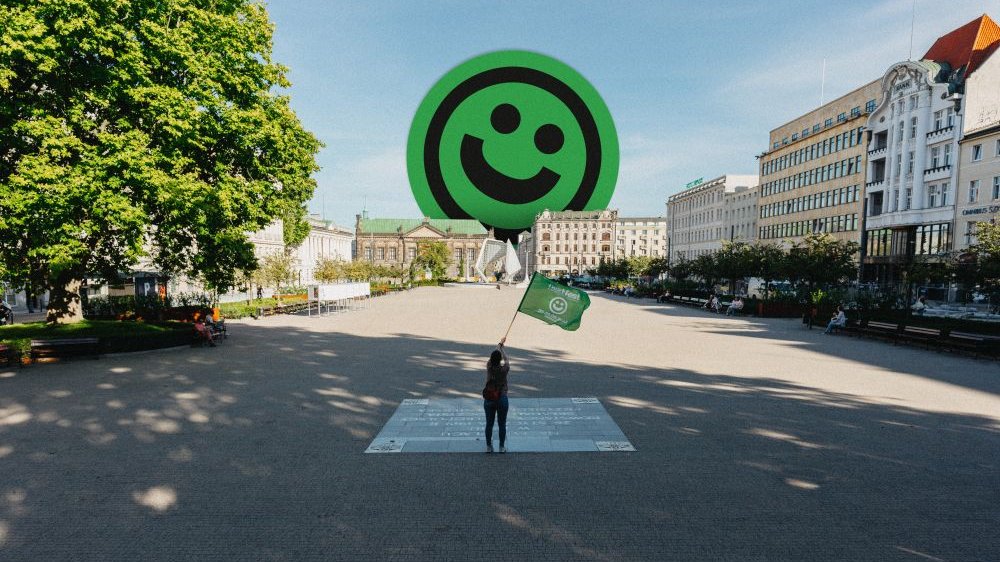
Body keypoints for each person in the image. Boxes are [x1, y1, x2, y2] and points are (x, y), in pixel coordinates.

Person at [483, 337, 510, 453]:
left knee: (489, 423)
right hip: (502, 398)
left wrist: (499, 345)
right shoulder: (504, 369)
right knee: (502, 424)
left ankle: (489, 446)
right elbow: (507, 359)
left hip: (489, 398)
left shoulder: (489, 367)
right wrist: (502, 349)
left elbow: (493, 356)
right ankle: (502, 446)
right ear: (500, 360)